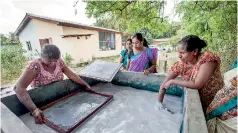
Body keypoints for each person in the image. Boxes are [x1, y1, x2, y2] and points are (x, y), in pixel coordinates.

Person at [14, 44, 93, 124]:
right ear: (42, 56)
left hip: (58, 97)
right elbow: (18, 88)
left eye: (55, 60)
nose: (53, 63)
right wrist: (34, 110)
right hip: (41, 99)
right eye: (50, 61)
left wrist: (85, 84)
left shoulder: (59, 62)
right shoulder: (35, 66)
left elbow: (72, 75)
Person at [158, 35, 224, 113]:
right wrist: (159, 105)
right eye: (178, 52)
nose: (179, 56)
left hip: (219, 102)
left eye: (182, 53)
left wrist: (173, 81)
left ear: (195, 51)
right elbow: (163, 85)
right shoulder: (180, 65)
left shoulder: (207, 59)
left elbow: (197, 84)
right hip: (201, 105)